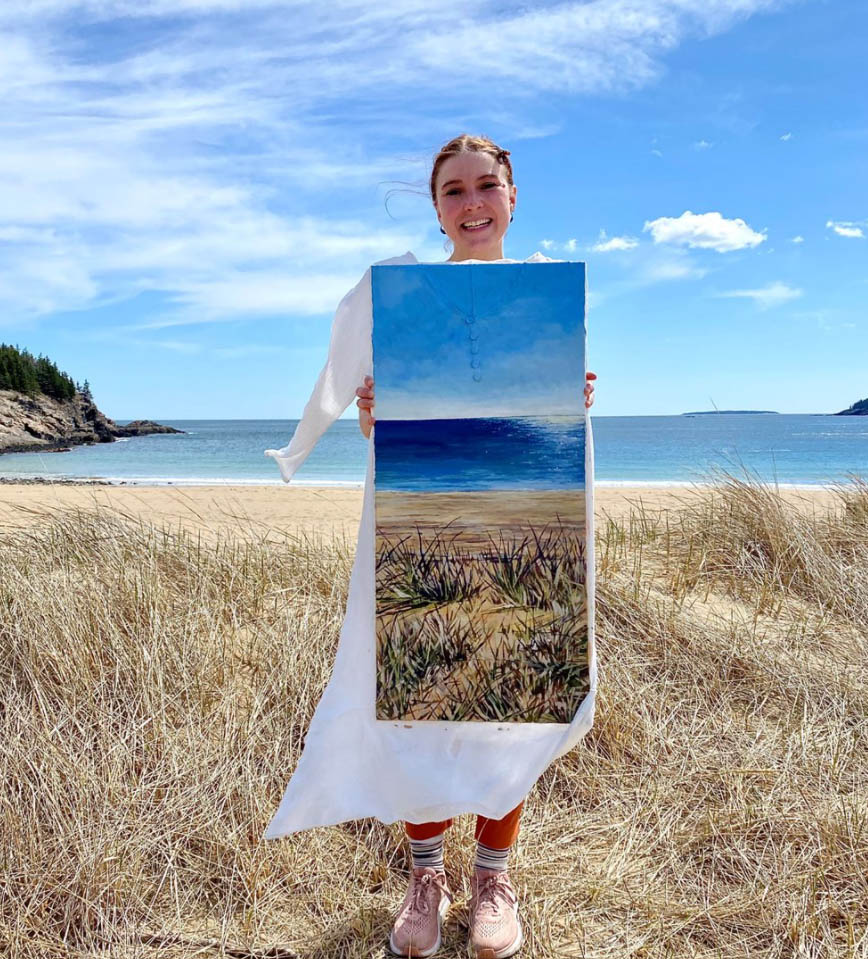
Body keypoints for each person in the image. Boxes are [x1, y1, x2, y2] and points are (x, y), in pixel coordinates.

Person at [352, 134, 596, 959]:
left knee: (516, 701)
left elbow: (545, 414)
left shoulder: (545, 294)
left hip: (528, 504)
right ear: (437, 207)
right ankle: (429, 876)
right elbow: (375, 431)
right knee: (422, 695)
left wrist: (578, 395)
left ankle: (492, 876)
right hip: (428, 508)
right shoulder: (410, 297)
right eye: (453, 191)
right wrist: (378, 406)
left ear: (513, 195)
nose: (471, 203)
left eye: (485, 185)